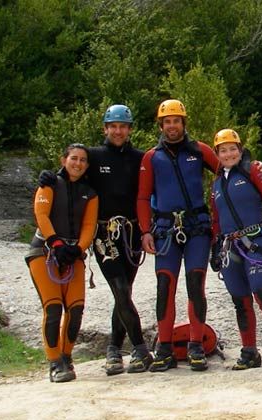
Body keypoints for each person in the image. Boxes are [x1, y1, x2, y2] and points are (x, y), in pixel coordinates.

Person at [38, 104, 153, 375]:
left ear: (130, 129)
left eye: (122, 126)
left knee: (124, 292)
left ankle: (114, 348)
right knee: (121, 289)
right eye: (113, 126)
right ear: (105, 128)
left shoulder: (141, 158)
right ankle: (138, 348)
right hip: (104, 234)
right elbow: (72, 169)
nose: (117, 131)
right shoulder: (95, 156)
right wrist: (49, 177)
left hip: (132, 233)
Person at [137, 99, 219, 372]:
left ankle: (196, 346)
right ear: (161, 125)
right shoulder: (152, 157)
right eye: (167, 121)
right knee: (165, 287)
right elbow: (142, 196)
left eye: (177, 121)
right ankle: (164, 348)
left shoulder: (200, 151)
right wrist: (145, 231)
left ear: (184, 123)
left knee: (195, 284)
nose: (172, 126)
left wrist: (254, 168)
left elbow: (229, 170)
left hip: (197, 228)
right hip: (165, 231)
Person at [208, 128, 262, 370]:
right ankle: (249, 352)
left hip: (257, 241)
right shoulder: (216, 185)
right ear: (217, 154)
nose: (229, 153)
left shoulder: (254, 169)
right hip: (229, 246)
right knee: (240, 300)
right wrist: (215, 248)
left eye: (233, 148)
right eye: (223, 150)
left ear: (240, 149)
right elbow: (216, 219)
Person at [26, 143, 99, 383]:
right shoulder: (48, 184)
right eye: (73, 159)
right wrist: (55, 243)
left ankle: (67, 357)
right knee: (54, 307)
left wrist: (78, 248)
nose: (77, 163)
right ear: (63, 160)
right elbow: (42, 215)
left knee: (76, 309)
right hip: (44, 252)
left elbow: (89, 225)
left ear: (87, 165)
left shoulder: (90, 192)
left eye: (82, 160)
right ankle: (54, 362)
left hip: (73, 254)